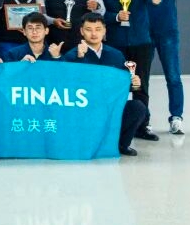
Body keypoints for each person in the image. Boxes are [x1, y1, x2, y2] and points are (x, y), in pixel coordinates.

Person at [60, 13, 152, 156]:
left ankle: (121, 145)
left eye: (98, 29)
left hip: (109, 108)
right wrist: (80, 58)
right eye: (89, 29)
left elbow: (121, 85)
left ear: (104, 31)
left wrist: (133, 83)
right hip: (84, 109)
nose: (93, 33)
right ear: (82, 31)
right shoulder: (72, 55)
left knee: (138, 107)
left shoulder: (116, 55)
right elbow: (67, 85)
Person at [98, 0, 161, 141]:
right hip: (115, 45)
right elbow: (99, 15)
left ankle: (142, 126)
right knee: (115, 85)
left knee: (141, 85)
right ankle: (114, 125)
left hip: (141, 42)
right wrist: (116, 16)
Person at [139, 0, 186, 135]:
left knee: (173, 76)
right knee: (141, 79)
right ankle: (143, 120)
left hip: (167, 33)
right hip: (142, 34)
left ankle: (176, 117)